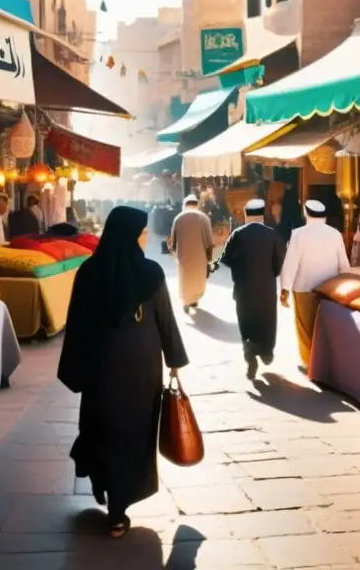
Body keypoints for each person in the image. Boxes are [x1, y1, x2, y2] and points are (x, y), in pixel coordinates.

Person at [57, 206, 189, 538]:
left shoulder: (89, 272)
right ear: (131, 235)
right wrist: (175, 358)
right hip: (142, 365)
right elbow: (164, 319)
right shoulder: (151, 273)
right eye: (142, 232)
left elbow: (76, 324)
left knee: (102, 425)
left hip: (102, 365)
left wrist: (75, 368)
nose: (145, 237)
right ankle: (118, 509)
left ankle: (100, 478)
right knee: (134, 432)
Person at [216, 198, 286, 380]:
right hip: (266, 287)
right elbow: (280, 262)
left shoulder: (238, 234)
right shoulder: (273, 235)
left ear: (246, 214)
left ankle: (249, 352)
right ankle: (266, 352)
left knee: (246, 320)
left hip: (243, 287)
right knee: (267, 320)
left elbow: (226, 259)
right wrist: (271, 274)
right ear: (263, 215)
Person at [280, 199, 352, 367]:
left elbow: (291, 263)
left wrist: (285, 288)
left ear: (306, 213)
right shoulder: (335, 234)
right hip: (330, 288)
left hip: (304, 287)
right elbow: (344, 264)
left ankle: (309, 362)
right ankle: (324, 362)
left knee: (305, 327)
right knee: (325, 326)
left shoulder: (298, 234)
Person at [168, 194, 213, 314]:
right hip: (200, 256)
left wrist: (173, 251)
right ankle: (194, 299)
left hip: (183, 255)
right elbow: (209, 241)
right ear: (196, 204)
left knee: (185, 279)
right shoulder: (204, 218)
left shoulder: (178, 218)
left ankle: (186, 301)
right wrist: (209, 258)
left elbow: (173, 239)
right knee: (197, 279)